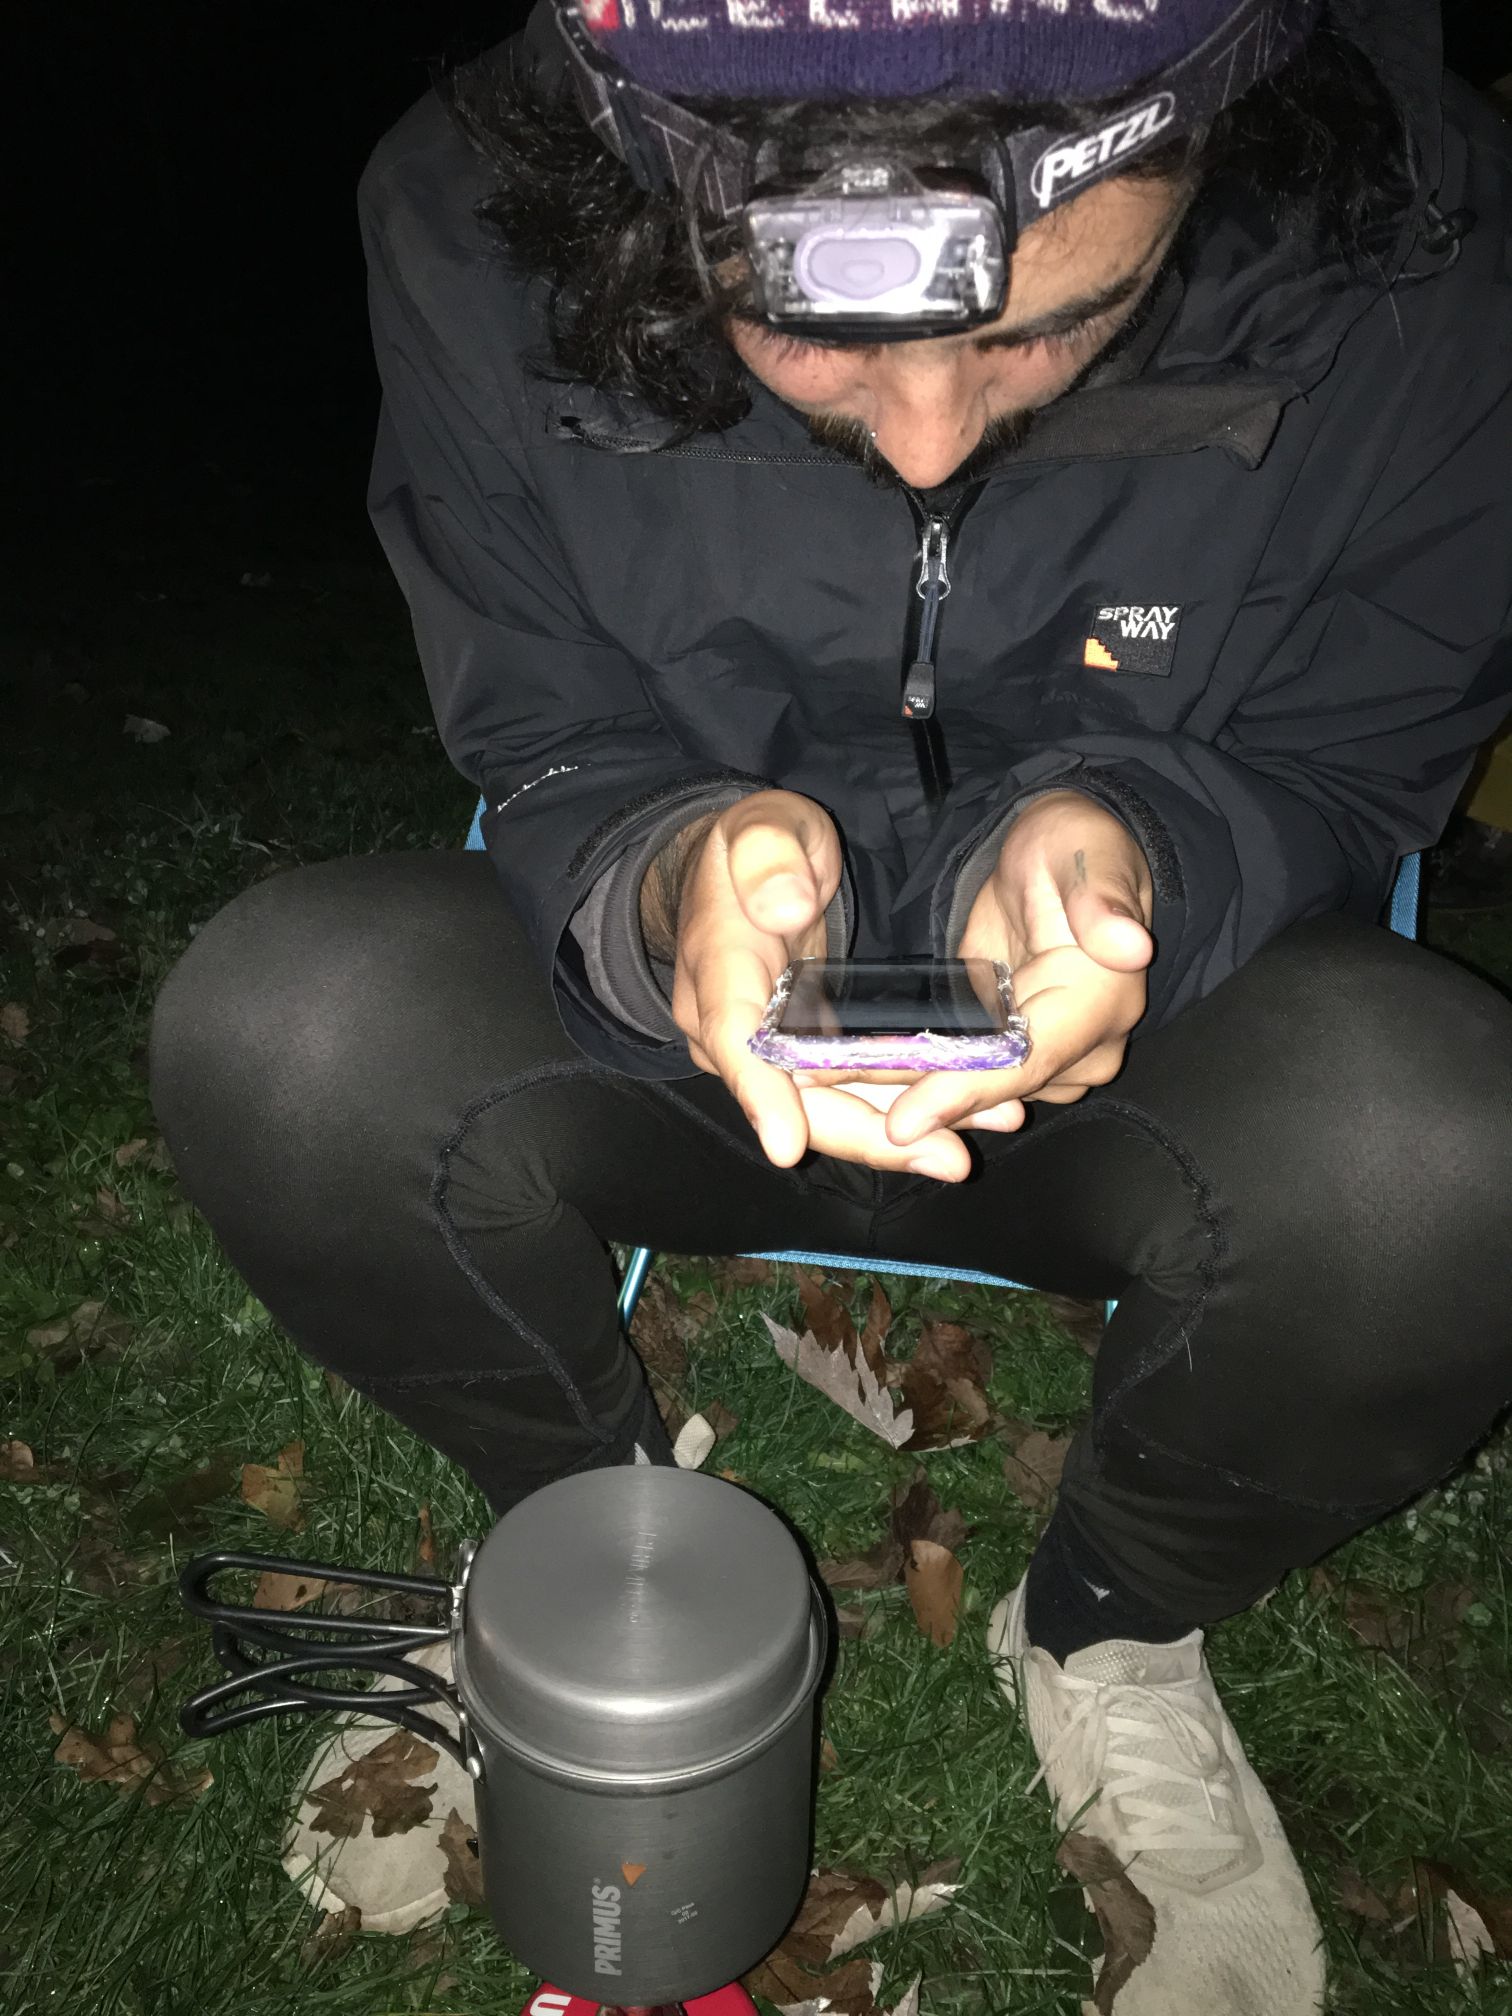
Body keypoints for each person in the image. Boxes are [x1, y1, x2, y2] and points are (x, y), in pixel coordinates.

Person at [149, 0, 1512, 2008]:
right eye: (813, 335)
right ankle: (584, 1534)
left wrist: (1138, 842)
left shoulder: (1426, 228)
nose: (933, 431)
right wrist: (665, 869)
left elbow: (1360, 742)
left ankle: (1117, 1624)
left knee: (1445, 1156)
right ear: (639, 196)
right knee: (287, 1025)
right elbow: (536, 727)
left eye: (1066, 320)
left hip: (1152, 1024)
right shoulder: (466, 210)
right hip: (691, 1028)